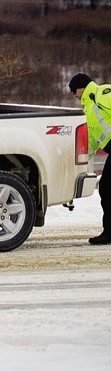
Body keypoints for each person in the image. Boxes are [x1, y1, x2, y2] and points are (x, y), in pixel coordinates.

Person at [70, 72, 111, 244]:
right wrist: (83, 158)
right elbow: (93, 140)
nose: (74, 96)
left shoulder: (102, 93)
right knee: (107, 188)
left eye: (74, 91)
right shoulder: (88, 108)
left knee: (107, 188)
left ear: (81, 87)